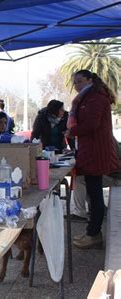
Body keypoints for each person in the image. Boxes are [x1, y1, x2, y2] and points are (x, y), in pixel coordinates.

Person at [67, 70, 120, 249]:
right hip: (90, 151)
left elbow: (91, 124)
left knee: (95, 195)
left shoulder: (95, 97)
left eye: (80, 81)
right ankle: (93, 231)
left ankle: (93, 234)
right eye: (75, 82)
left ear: (90, 80)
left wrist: (71, 131)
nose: (77, 85)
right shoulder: (87, 97)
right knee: (92, 193)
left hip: (95, 153)